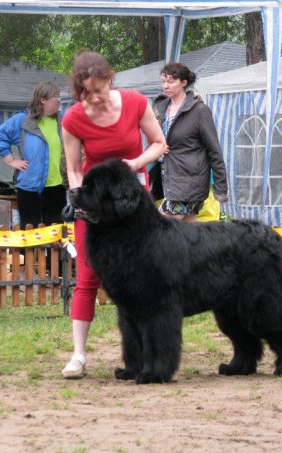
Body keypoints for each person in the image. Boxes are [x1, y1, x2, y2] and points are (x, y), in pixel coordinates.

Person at [60, 50, 166, 379]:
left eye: (99, 90)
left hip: (135, 203)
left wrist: (135, 164)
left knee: (143, 276)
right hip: (95, 205)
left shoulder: (135, 103)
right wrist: (83, 205)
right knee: (89, 277)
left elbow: (159, 143)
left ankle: (149, 352)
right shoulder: (73, 119)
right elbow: (75, 169)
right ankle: (78, 355)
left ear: (111, 78)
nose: (93, 98)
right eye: (86, 93)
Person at [151, 62, 228, 222]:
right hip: (168, 179)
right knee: (187, 235)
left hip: (189, 182)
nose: (165, 86)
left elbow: (214, 150)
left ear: (184, 83)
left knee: (158, 228)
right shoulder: (160, 108)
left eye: (171, 82)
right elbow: (154, 139)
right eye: (163, 81)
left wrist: (220, 188)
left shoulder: (200, 111)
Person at [0, 82, 67, 229]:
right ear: (43, 99)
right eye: (55, 97)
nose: (59, 100)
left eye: (59, 97)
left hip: (57, 187)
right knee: (30, 235)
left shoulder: (62, 121)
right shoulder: (23, 120)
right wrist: (11, 160)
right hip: (30, 188)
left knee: (56, 237)